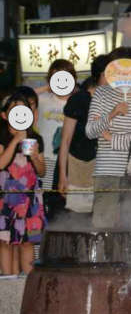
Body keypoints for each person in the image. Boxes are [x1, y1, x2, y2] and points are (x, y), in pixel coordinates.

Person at [85, 47, 131, 230]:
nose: (124, 73)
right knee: (102, 225)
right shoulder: (101, 93)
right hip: (106, 170)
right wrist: (112, 114)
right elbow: (90, 131)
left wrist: (109, 136)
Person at [0, 93, 46, 275]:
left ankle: (27, 286)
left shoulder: (36, 138)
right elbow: (1, 164)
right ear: (4, 115)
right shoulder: (2, 137)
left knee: (27, 241)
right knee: (5, 242)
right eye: (14, 110)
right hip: (5, 198)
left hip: (30, 199)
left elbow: (42, 171)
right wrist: (16, 140)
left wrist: (35, 156)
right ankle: (8, 287)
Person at [57, 55, 110, 213]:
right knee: (74, 218)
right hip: (76, 165)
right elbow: (65, 140)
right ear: (101, 75)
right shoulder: (79, 99)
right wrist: (62, 175)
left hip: (102, 168)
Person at [38, 59, 76, 217]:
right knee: (43, 199)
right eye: (55, 77)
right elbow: (21, 95)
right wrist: (47, 87)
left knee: (65, 203)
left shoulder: (78, 102)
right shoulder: (43, 100)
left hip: (69, 161)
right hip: (45, 158)